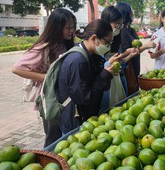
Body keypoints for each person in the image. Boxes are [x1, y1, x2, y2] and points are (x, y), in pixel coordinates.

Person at [12, 8, 76, 147]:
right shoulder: (44, 48)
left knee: (64, 136)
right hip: (50, 100)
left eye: (73, 27)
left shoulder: (64, 44)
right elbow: (17, 68)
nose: (71, 31)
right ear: (57, 27)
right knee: (53, 137)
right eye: (68, 27)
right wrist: (45, 77)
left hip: (64, 99)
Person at [57, 19, 116, 134]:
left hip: (84, 118)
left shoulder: (91, 55)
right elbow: (84, 98)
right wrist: (105, 75)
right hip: (75, 122)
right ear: (94, 38)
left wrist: (107, 70)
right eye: (107, 42)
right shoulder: (78, 61)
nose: (109, 47)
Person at [99, 5, 139, 111]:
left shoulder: (117, 40)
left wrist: (130, 55)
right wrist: (109, 64)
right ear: (106, 22)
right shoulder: (98, 41)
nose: (118, 28)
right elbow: (96, 70)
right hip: (106, 86)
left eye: (120, 25)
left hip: (119, 83)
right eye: (116, 24)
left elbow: (120, 64)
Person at [115, 2, 156, 95]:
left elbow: (137, 47)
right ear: (126, 13)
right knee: (129, 91)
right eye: (131, 11)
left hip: (135, 65)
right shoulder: (122, 31)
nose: (132, 14)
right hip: (128, 68)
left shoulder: (131, 30)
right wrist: (145, 46)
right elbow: (123, 52)